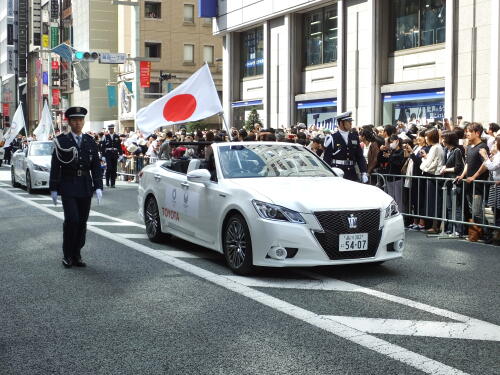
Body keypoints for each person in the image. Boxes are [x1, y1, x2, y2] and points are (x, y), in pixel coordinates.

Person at [49, 107, 103, 268]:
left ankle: (77, 253)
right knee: (72, 220)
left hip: (85, 184)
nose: (78, 123)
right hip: (68, 185)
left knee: (82, 222)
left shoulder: (90, 140)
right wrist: (53, 188)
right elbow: (55, 165)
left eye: (80, 120)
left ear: (83, 121)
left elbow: (96, 166)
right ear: (69, 122)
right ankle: (67, 254)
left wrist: (98, 186)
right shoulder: (62, 141)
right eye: (74, 120)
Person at [323, 111, 368, 182]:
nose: (351, 123)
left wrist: (364, 172)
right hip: (337, 172)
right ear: (341, 123)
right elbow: (327, 158)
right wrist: (327, 174)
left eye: (350, 121)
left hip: (351, 173)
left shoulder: (354, 137)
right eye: (348, 121)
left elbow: (359, 156)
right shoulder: (332, 138)